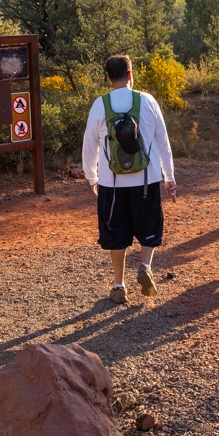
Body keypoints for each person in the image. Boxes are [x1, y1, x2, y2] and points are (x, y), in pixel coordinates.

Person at [82, 55, 177, 304]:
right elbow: (162, 142)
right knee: (149, 227)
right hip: (147, 179)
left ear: (108, 77)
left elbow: (89, 145)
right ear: (130, 74)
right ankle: (145, 265)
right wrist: (169, 177)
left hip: (111, 182)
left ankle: (119, 285)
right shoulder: (147, 101)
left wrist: (91, 176)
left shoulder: (99, 105)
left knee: (116, 232)